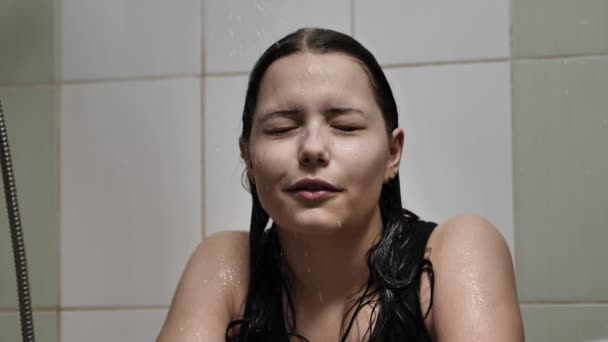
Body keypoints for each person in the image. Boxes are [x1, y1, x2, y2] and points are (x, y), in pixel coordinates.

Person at [157, 27, 524, 341]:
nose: (313, 149)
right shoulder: (227, 266)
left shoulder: (454, 254)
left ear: (392, 153)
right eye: (281, 128)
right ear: (247, 156)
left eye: (345, 126)